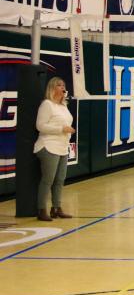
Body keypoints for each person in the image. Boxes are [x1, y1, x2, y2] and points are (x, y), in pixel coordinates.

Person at [33, 77, 75, 221]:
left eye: (63, 85)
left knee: (60, 179)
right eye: (59, 85)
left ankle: (56, 208)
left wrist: (66, 132)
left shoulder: (64, 106)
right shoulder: (47, 104)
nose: (62, 87)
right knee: (48, 179)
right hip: (48, 145)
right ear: (52, 88)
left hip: (62, 147)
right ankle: (41, 209)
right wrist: (61, 128)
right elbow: (40, 126)